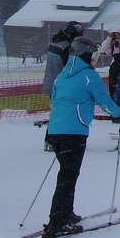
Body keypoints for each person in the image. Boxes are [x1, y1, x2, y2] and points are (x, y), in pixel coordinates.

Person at [43, 37, 120, 238]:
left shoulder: (62, 75)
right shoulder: (89, 76)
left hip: (56, 131)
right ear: (86, 56)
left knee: (67, 173)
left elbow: (54, 99)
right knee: (68, 177)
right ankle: (58, 222)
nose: (95, 60)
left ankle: (65, 213)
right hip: (74, 132)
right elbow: (104, 101)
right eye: (94, 56)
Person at [42, 21, 84, 150]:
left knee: (57, 113)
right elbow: (69, 67)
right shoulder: (66, 47)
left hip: (50, 82)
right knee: (61, 114)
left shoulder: (55, 43)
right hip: (60, 85)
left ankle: (50, 140)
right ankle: (54, 140)